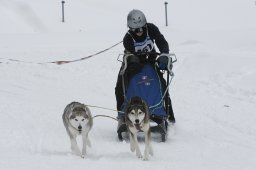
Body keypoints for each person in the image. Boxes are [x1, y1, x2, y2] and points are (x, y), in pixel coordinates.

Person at [115, 9, 175, 128]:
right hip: (132, 63)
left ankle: (169, 116)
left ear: (145, 24)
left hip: (151, 61)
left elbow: (161, 41)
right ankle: (122, 116)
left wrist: (164, 54)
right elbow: (132, 56)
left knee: (162, 85)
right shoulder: (127, 39)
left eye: (142, 28)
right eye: (135, 29)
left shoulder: (151, 28)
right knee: (119, 88)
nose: (139, 31)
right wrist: (135, 60)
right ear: (130, 28)